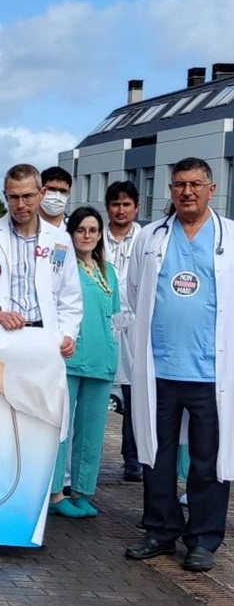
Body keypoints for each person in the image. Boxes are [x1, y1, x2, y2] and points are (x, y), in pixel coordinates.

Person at [124, 158, 234, 573]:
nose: (187, 192)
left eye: (195, 184)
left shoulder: (230, 238)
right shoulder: (151, 237)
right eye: (179, 185)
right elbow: (135, 295)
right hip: (160, 369)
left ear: (212, 187)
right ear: (170, 189)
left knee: (208, 461)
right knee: (157, 455)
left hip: (211, 373)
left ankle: (203, 540)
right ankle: (160, 530)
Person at [0, 164, 82, 357]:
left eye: (27, 196)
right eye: (13, 197)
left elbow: (69, 296)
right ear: (5, 196)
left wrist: (67, 334)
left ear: (41, 194)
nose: (20, 205)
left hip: (44, 338)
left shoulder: (60, 240)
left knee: (42, 388)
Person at [48, 207, 119, 520]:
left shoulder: (109, 272)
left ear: (100, 234)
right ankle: (54, 492)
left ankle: (82, 491)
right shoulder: (61, 266)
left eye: (93, 230)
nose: (87, 236)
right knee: (61, 428)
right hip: (70, 357)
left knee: (91, 432)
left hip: (101, 359)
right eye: (81, 230)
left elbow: (114, 316)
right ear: (71, 233)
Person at [105, 180, 142, 482]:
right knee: (93, 390)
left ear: (136, 207)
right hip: (101, 323)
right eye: (115, 204)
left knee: (134, 395)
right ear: (108, 208)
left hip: (135, 324)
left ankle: (133, 460)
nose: (121, 210)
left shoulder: (147, 239)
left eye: (126, 204)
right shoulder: (93, 236)